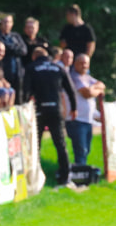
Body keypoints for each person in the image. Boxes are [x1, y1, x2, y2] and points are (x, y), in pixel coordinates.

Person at [23, 47, 77, 187]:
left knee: (35, 144)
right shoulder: (58, 68)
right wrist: (74, 108)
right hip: (56, 109)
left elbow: (25, 91)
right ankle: (65, 177)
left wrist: (24, 107)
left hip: (38, 110)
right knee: (60, 143)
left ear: (34, 57)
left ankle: (34, 177)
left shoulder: (31, 68)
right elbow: (71, 90)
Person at [67, 54, 105, 165]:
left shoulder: (88, 78)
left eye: (86, 63)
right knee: (81, 150)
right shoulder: (74, 77)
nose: (84, 65)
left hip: (88, 120)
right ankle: (81, 173)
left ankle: (82, 170)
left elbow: (102, 85)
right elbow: (86, 94)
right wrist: (95, 90)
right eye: (81, 63)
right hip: (77, 120)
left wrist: (93, 88)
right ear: (75, 64)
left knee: (86, 150)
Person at [0, 15, 28, 104]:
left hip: (17, 70)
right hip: (3, 70)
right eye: (4, 22)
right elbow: (5, 48)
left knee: (18, 95)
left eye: (9, 22)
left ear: (12, 24)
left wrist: (10, 47)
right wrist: (15, 47)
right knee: (6, 94)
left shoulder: (16, 36)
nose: (6, 24)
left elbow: (24, 51)